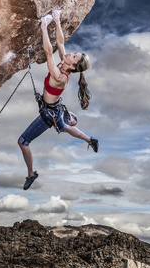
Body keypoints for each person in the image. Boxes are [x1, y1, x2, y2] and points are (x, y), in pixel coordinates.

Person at [18, 10, 98, 190]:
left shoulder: (61, 76)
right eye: (74, 53)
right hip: (56, 109)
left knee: (23, 142)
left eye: (74, 56)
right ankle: (90, 140)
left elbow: (48, 52)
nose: (71, 53)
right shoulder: (65, 62)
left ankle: (31, 174)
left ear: (73, 65)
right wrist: (57, 19)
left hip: (48, 115)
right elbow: (60, 42)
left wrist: (44, 26)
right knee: (64, 127)